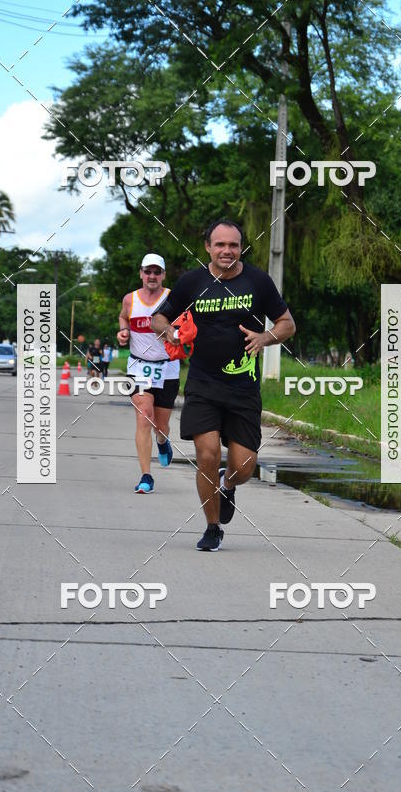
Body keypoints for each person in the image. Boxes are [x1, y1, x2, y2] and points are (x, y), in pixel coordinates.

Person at [152, 219, 296, 551]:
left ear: (240, 247)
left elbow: (287, 324)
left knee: (245, 467)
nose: (227, 251)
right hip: (203, 384)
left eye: (233, 245)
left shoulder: (258, 281)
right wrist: (170, 333)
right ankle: (212, 527)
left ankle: (227, 485)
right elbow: (159, 316)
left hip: (243, 388)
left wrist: (264, 337)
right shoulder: (192, 281)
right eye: (220, 245)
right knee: (207, 453)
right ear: (208, 247)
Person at [117, 253, 180, 494]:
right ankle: (146, 476)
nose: (152, 276)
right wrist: (123, 331)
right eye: (147, 271)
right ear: (141, 274)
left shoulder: (172, 298)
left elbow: (185, 323)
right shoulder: (130, 299)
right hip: (138, 367)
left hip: (167, 367)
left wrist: (178, 334)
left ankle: (162, 443)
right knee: (144, 415)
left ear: (163, 275)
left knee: (160, 425)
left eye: (157, 272)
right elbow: (124, 317)